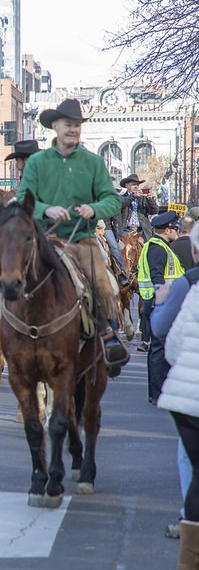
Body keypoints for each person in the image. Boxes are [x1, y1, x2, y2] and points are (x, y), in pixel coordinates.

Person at [0, 98, 129, 375]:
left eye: (76, 125)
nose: (72, 129)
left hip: (81, 238)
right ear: (55, 127)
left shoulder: (94, 163)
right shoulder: (38, 163)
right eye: (67, 125)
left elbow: (112, 200)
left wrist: (93, 208)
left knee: (103, 280)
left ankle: (109, 335)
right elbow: (24, 198)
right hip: (41, 238)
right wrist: (48, 209)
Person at [150, 222, 199, 541]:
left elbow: (170, 339)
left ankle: (109, 329)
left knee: (102, 265)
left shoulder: (189, 285)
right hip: (47, 235)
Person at [138, 210, 184, 402]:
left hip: (159, 302)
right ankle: (157, 393)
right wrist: (164, 302)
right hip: (159, 303)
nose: (177, 232)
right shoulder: (157, 248)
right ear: (167, 230)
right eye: (175, 229)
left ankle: (157, 392)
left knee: (159, 349)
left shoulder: (160, 246)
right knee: (158, 350)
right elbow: (158, 277)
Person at [115, 173, 159, 241]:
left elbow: (154, 211)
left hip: (142, 231)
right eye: (133, 184)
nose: (136, 187)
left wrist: (150, 200)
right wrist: (133, 196)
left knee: (147, 248)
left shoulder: (143, 198)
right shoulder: (121, 197)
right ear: (127, 185)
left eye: (137, 185)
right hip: (126, 231)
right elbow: (121, 204)